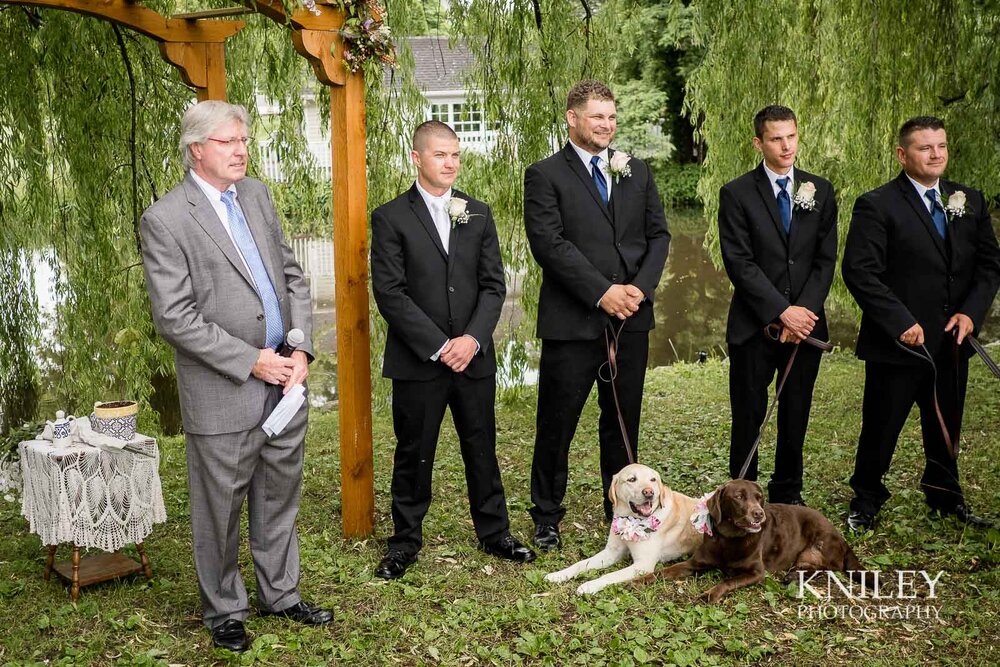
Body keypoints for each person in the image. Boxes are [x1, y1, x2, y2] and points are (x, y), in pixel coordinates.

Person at [140, 101, 332, 653]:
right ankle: (224, 608)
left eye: (243, 140)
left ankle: (282, 594)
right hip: (225, 387)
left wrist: (299, 350)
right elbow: (175, 317)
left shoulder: (256, 195)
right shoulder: (167, 219)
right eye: (228, 142)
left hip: (284, 380)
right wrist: (251, 360)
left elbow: (293, 277)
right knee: (219, 508)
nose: (241, 149)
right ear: (197, 149)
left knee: (278, 495)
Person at [370, 120, 536, 579]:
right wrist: (440, 345)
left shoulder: (477, 213)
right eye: (441, 154)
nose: (450, 163)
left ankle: (495, 532)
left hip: (473, 358)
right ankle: (403, 542)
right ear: (417, 158)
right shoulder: (390, 217)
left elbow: (493, 286)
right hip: (418, 361)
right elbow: (391, 293)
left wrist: (472, 339)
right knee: (413, 451)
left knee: (482, 446)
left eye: (456, 155)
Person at [523, 80, 670, 550]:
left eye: (611, 117)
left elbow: (658, 236)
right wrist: (601, 292)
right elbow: (550, 244)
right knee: (557, 423)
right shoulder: (544, 175)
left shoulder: (637, 171)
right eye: (597, 116)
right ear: (572, 118)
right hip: (573, 322)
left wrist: (638, 291)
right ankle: (547, 515)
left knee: (624, 421)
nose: (606, 125)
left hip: (631, 319)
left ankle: (623, 513)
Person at [842, 115, 1000, 532]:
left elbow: (989, 266)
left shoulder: (970, 199)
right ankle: (866, 500)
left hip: (951, 339)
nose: (936, 155)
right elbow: (860, 271)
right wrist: (900, 322)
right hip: (898, 343)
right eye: (925, 147)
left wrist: (971, 312)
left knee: (946, 422)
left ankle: (945, 497)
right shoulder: (876, 204)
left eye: (941, 146)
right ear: (902, 154)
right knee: (881, 425)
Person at [717, 105, 838, 505]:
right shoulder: (736, 193)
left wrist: (802, 313)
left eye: (791, 136)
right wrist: (780, 311)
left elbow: (824, 261)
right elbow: (739, 262)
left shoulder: (820, 190)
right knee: (748, 415)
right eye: (776, 138)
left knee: (795, 414)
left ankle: (788, 494)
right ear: (759, 143)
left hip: (806, 327)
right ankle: (742, 497)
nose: (786, 146)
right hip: (754, 326)